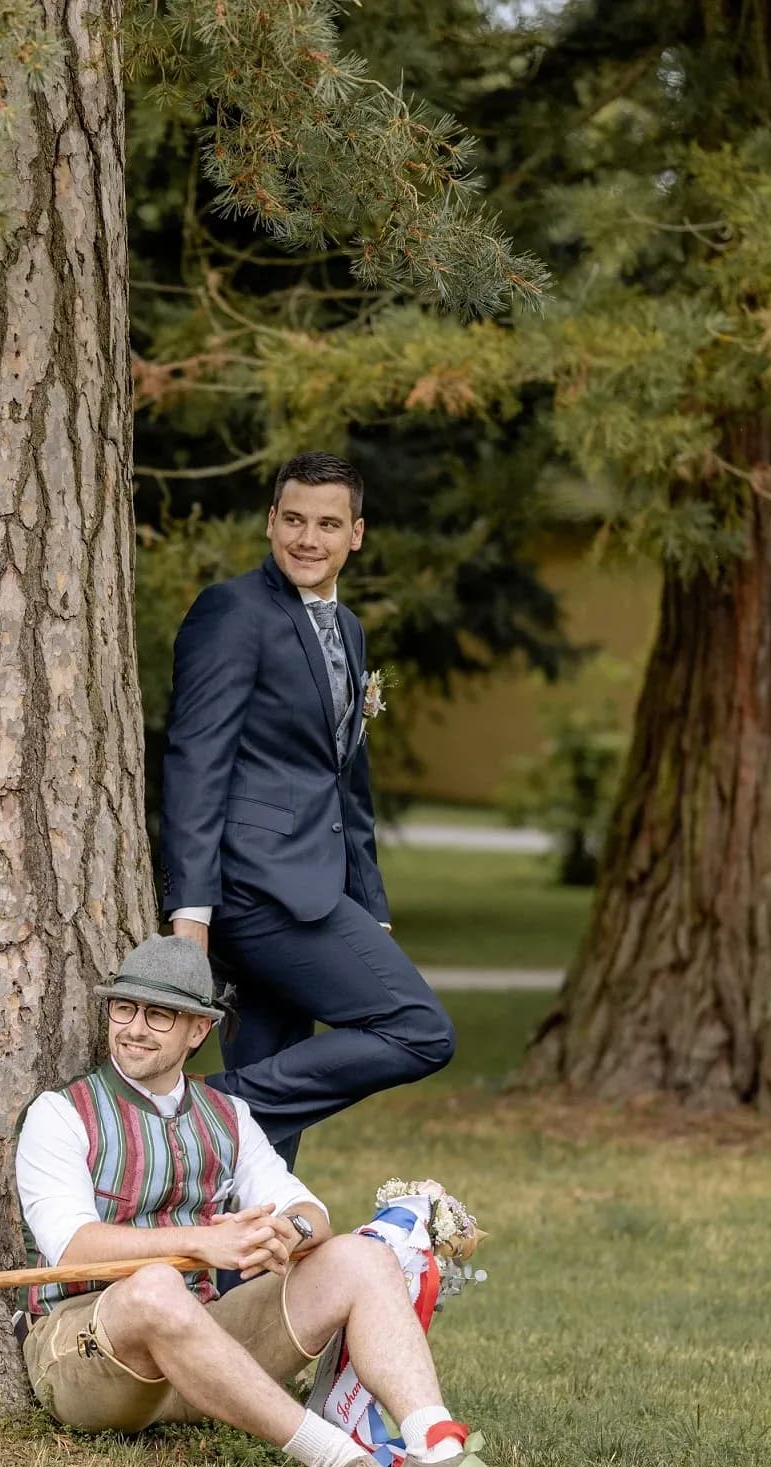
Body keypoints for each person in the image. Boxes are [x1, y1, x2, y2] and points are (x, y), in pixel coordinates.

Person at [13, 935, 525, 1467]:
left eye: (158, 1015)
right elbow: (74, 1248)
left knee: (362, 1257)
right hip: (88, 1356)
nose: (133, 1028)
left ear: (198, 1030)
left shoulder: (228, 1116)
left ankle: (435, 1452)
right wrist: (202, 1242)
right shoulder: (60, 1114)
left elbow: (310, 1213)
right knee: (155, 1286)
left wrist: (287, 1234)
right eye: (123, 1009)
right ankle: (342, 1464)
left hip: (201, 1354)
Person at [159, 451, 454, 1166]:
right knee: (420, 1028)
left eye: (326, 523)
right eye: (293, 519)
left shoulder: (346, 630)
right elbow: (196, 761)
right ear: (270, 522)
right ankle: (207, 1108)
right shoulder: (233, 610)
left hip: (317, 886)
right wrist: (191, 918)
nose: (306, 538)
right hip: (258, 893)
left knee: (270, 1148)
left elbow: (346, 780)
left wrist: (371, 906)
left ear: (356, 534)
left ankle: (230, 1274)